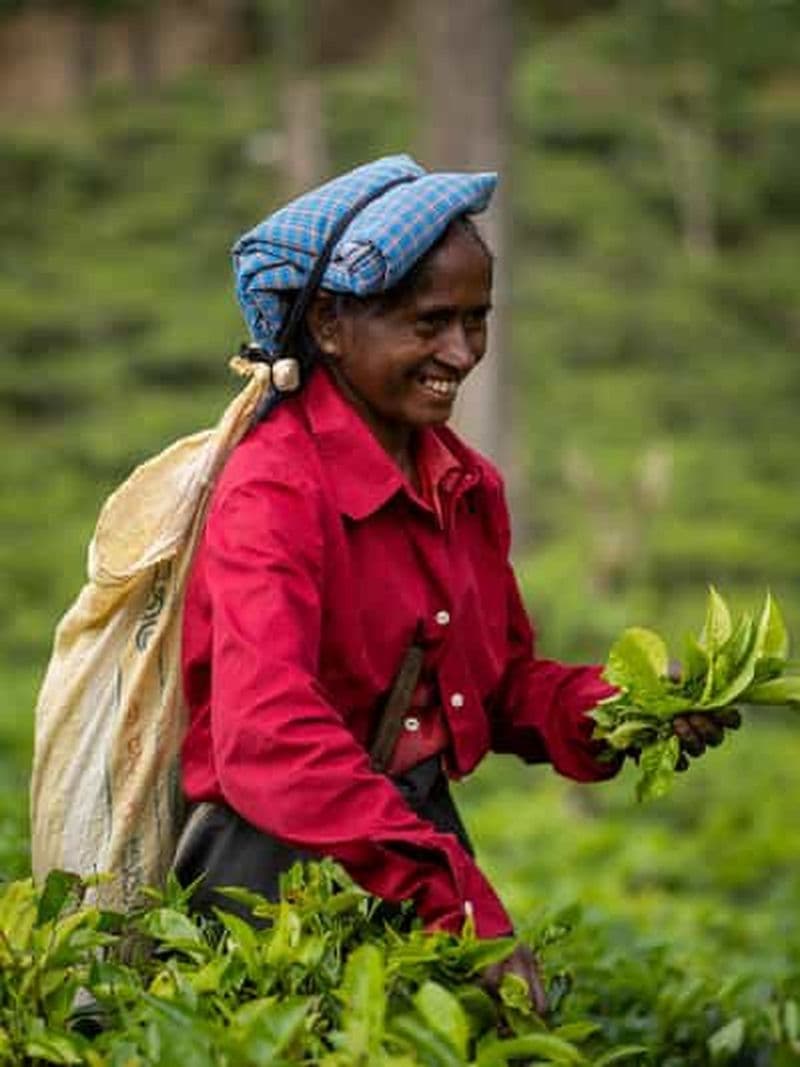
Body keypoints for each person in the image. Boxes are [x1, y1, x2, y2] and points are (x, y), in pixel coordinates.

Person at [175, 155, 733, 1014]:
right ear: (328, 322)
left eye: (478, 320)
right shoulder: (275, 489)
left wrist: (620, 705)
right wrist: (453, 898)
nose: (463, 352)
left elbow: (501, 684)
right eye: (431, 322)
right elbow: (269, 737)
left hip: (408, 847)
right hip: (272, 869)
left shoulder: (465, 487)